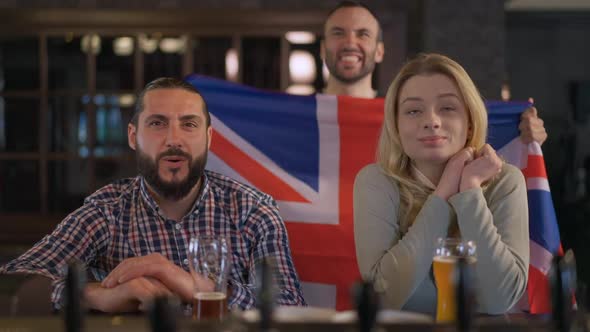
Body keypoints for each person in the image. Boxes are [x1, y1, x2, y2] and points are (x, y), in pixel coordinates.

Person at [0, 78, 305, 313]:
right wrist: (95, 294)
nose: (174, 140)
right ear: (134, 137)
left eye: (189, 124)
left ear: (208, 138)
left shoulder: (253, 211)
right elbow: (12, 285)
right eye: (158, 124)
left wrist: (190, 284)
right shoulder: (107, 212)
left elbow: (290, 310)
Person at [353, 53, 529, 315]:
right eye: (413, 111)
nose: (431, 121)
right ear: (397, 127)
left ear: (469, 123)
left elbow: (499, 299)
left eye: (447, 108)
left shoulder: (507, 181)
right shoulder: (376, 182)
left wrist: (469, 190)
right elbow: (383, 296)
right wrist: (444, 193)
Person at [321, 0, 548, 145]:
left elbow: (474, 140)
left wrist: (522, 135)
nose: (350, 42)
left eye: (363, 34)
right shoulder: (289, 118)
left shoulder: (407, 114)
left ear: (380, 51)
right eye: (338, 33)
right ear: (323, 48)